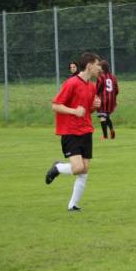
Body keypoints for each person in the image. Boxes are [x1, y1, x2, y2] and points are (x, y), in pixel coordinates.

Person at [45, 52, 102, 211]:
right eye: (97, 65)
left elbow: (87, 110)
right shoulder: (71, 83)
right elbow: (55, 105)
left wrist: (94, 107)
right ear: (89, 66)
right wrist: (74, 111)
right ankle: (57, 168)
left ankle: (73, 205)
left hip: (86, 131)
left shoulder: (91, 87)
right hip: (70, 131)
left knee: (84, 170)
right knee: (77, 168)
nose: (100, 68)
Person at [96, 60, 119, 140]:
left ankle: (105, 136)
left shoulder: (101, 77)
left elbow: (97, 89)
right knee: (106, 116)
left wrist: (96, 96)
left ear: (102, 68)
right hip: (111, 100)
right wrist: (114, 98)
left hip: (103, 99)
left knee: (102, 116)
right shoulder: (113, 77)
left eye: (99, 67)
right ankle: (111, 129)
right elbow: (116, 90)